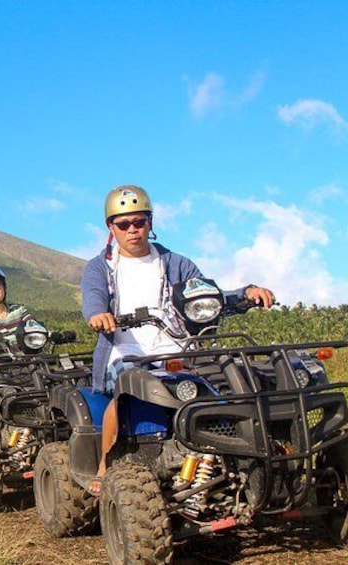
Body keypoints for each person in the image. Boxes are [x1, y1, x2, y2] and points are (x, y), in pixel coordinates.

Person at [81, 184, 276, 494]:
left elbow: (206, 293)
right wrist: (97, 315)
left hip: (179, 347)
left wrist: (245, 294)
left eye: (140, 222)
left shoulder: (175, 263)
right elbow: (93, 296)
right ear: (111, 227)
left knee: (223, 385)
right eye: (124, 224)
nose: (133, 230)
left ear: (150, 222)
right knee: (125, 391)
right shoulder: (101, 267)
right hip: (125, 349)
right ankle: (106, 464)